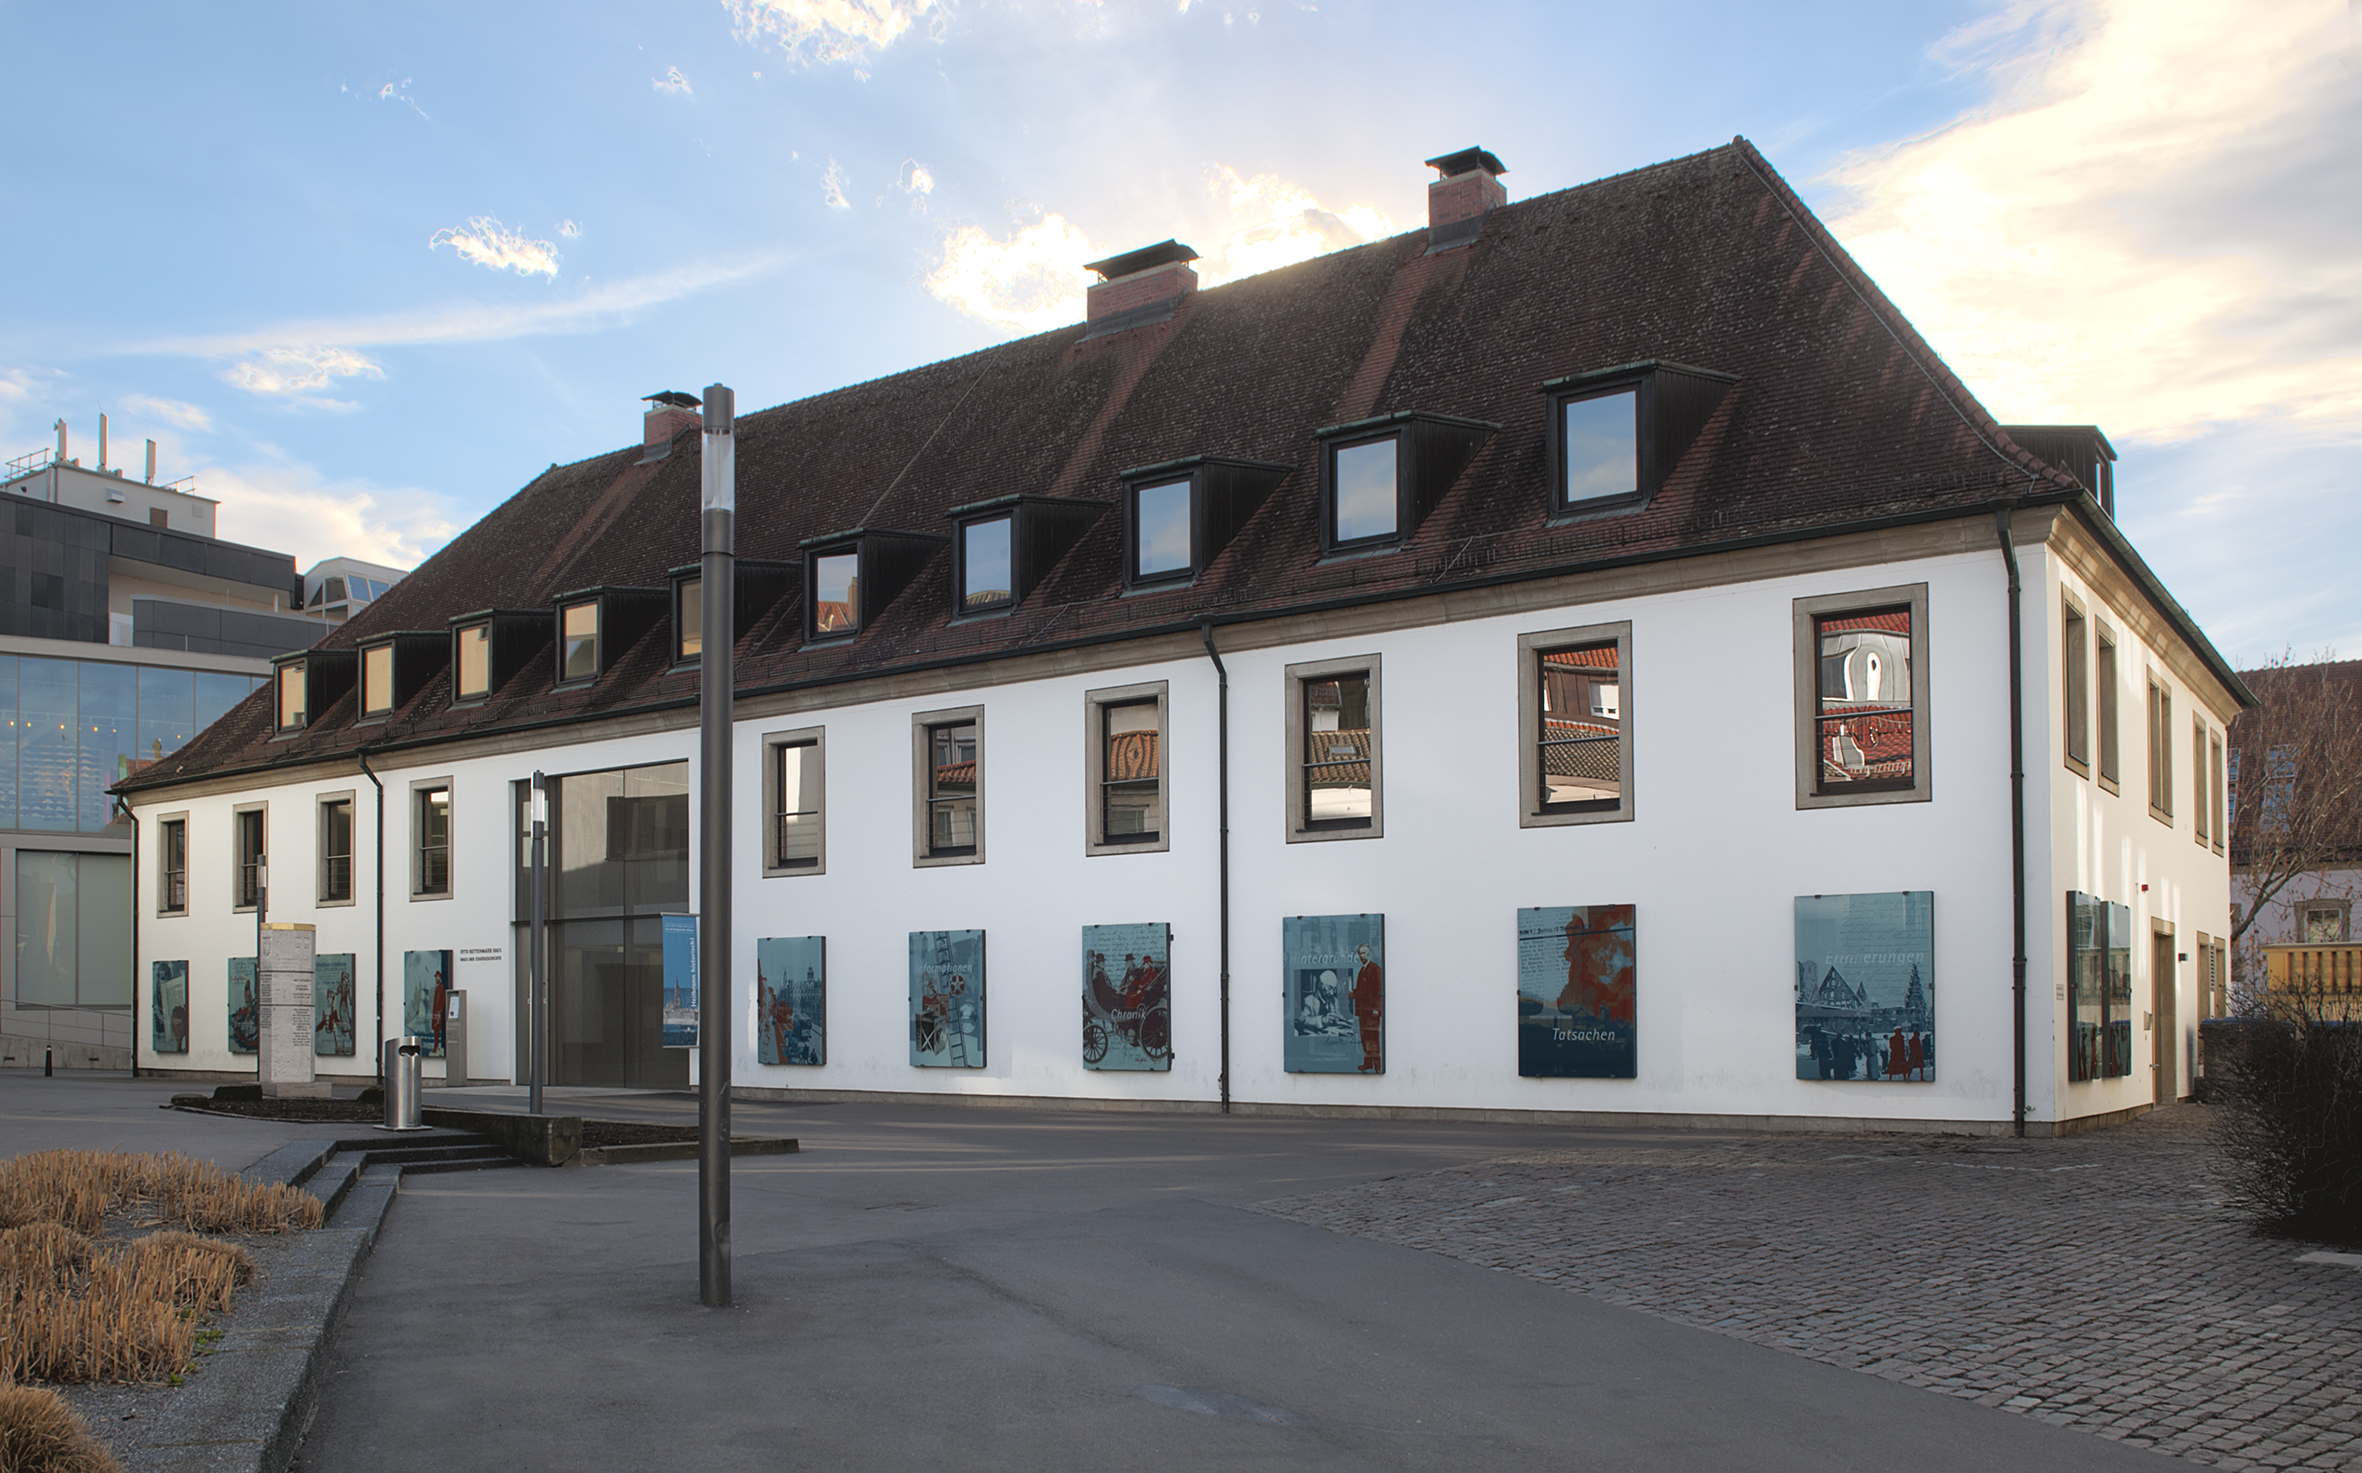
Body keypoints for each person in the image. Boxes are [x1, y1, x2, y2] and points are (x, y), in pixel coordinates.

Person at [1350, 943, 1384, 1073]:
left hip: (1372, 1012)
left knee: (1372, 1038)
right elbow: (1362, 991)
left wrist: (1377, 1009)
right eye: (1360, 953)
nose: (1361, 956)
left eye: (1363, 953)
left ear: (1369, 954)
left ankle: (1378, 1066)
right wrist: (1353, 993)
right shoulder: (1362, 970)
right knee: (1365, 1038)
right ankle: (1368, 1063)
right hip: (1363, 1012)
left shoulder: (1376, 969)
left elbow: (1380, 991)